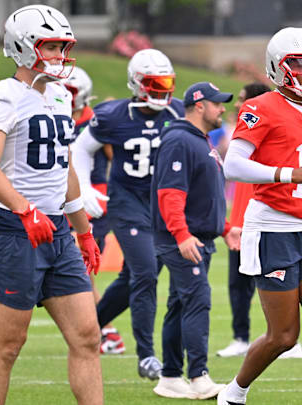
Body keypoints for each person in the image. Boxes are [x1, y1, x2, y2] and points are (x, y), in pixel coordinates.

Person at [0, 5, 102, 405]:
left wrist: (83, 230)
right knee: (8, 344)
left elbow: (64, 171)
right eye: (51, 47)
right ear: (23, 47)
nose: (60, 56)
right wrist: (26, 210)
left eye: (63, 48)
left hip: (58, 229)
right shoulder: (1, 97)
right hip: (14, 229)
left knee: (88, 337)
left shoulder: (61, 96)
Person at [218, 27, 302, 405]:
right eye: (300, 64)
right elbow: (234, 165)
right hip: (273, 230)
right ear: (277, 67)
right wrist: (284, 173)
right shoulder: (259, 108)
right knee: (284, 336)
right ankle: (235, 391)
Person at [70, 48, 184, 380]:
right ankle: (147, 356)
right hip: (127, 204)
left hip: (164, 207)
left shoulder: (178, 112)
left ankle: (88, 326)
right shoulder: (114, 114)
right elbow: (80, 147)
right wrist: (84, 189)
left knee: (131, 278)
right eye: (154, 82)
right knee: (146, 273)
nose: (162, 89)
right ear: (137, 83)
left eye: (167, 82)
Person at [151, 81, 240, 399]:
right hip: (182, 239)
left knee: (179, 304)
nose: (223, 109)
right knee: (198, 299)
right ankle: (198, 376)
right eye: (218, 104)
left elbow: (204, 197)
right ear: (199, 105)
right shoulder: (179, 140)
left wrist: (225, 227)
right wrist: (182, 235)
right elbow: (169, 194)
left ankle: (171, 376)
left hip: (196, 236)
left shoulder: (199, 140)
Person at [216, 82, 302, 359]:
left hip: (265, 221)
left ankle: (290, 339)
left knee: (278, 282)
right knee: (237, 284)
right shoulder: (243, 133)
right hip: (239, 220)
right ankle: (241, 337)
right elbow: (225, 157)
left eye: (242, 99)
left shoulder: (268, 133)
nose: (235, 104)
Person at [61, 66, 124, 354]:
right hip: (64, 199)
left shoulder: (95, 122)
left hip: (92, 200)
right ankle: (102, 329)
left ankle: (105, 329)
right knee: (78, 271)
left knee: (79, 268)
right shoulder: (57, 117)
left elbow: (116, 161)